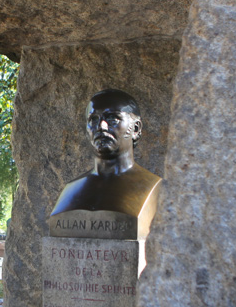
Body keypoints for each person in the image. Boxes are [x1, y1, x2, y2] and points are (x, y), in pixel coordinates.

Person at [50, 89, 160, 220]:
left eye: (113, 119)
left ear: (135, 129)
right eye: (94, 119)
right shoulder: (70, 191)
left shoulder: (154, 187)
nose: (102, 127)